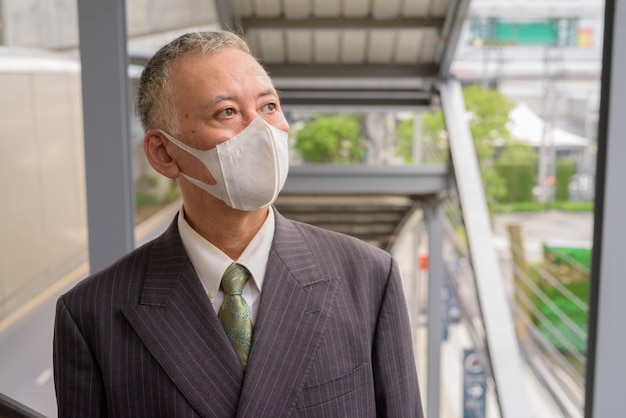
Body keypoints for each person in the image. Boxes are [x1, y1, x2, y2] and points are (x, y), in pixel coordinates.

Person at [53, 30, 424, 417]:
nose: (261, 131)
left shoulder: (367, 277)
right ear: (163, 153)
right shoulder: (92, 314)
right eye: (226, 112)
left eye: (268, 106)